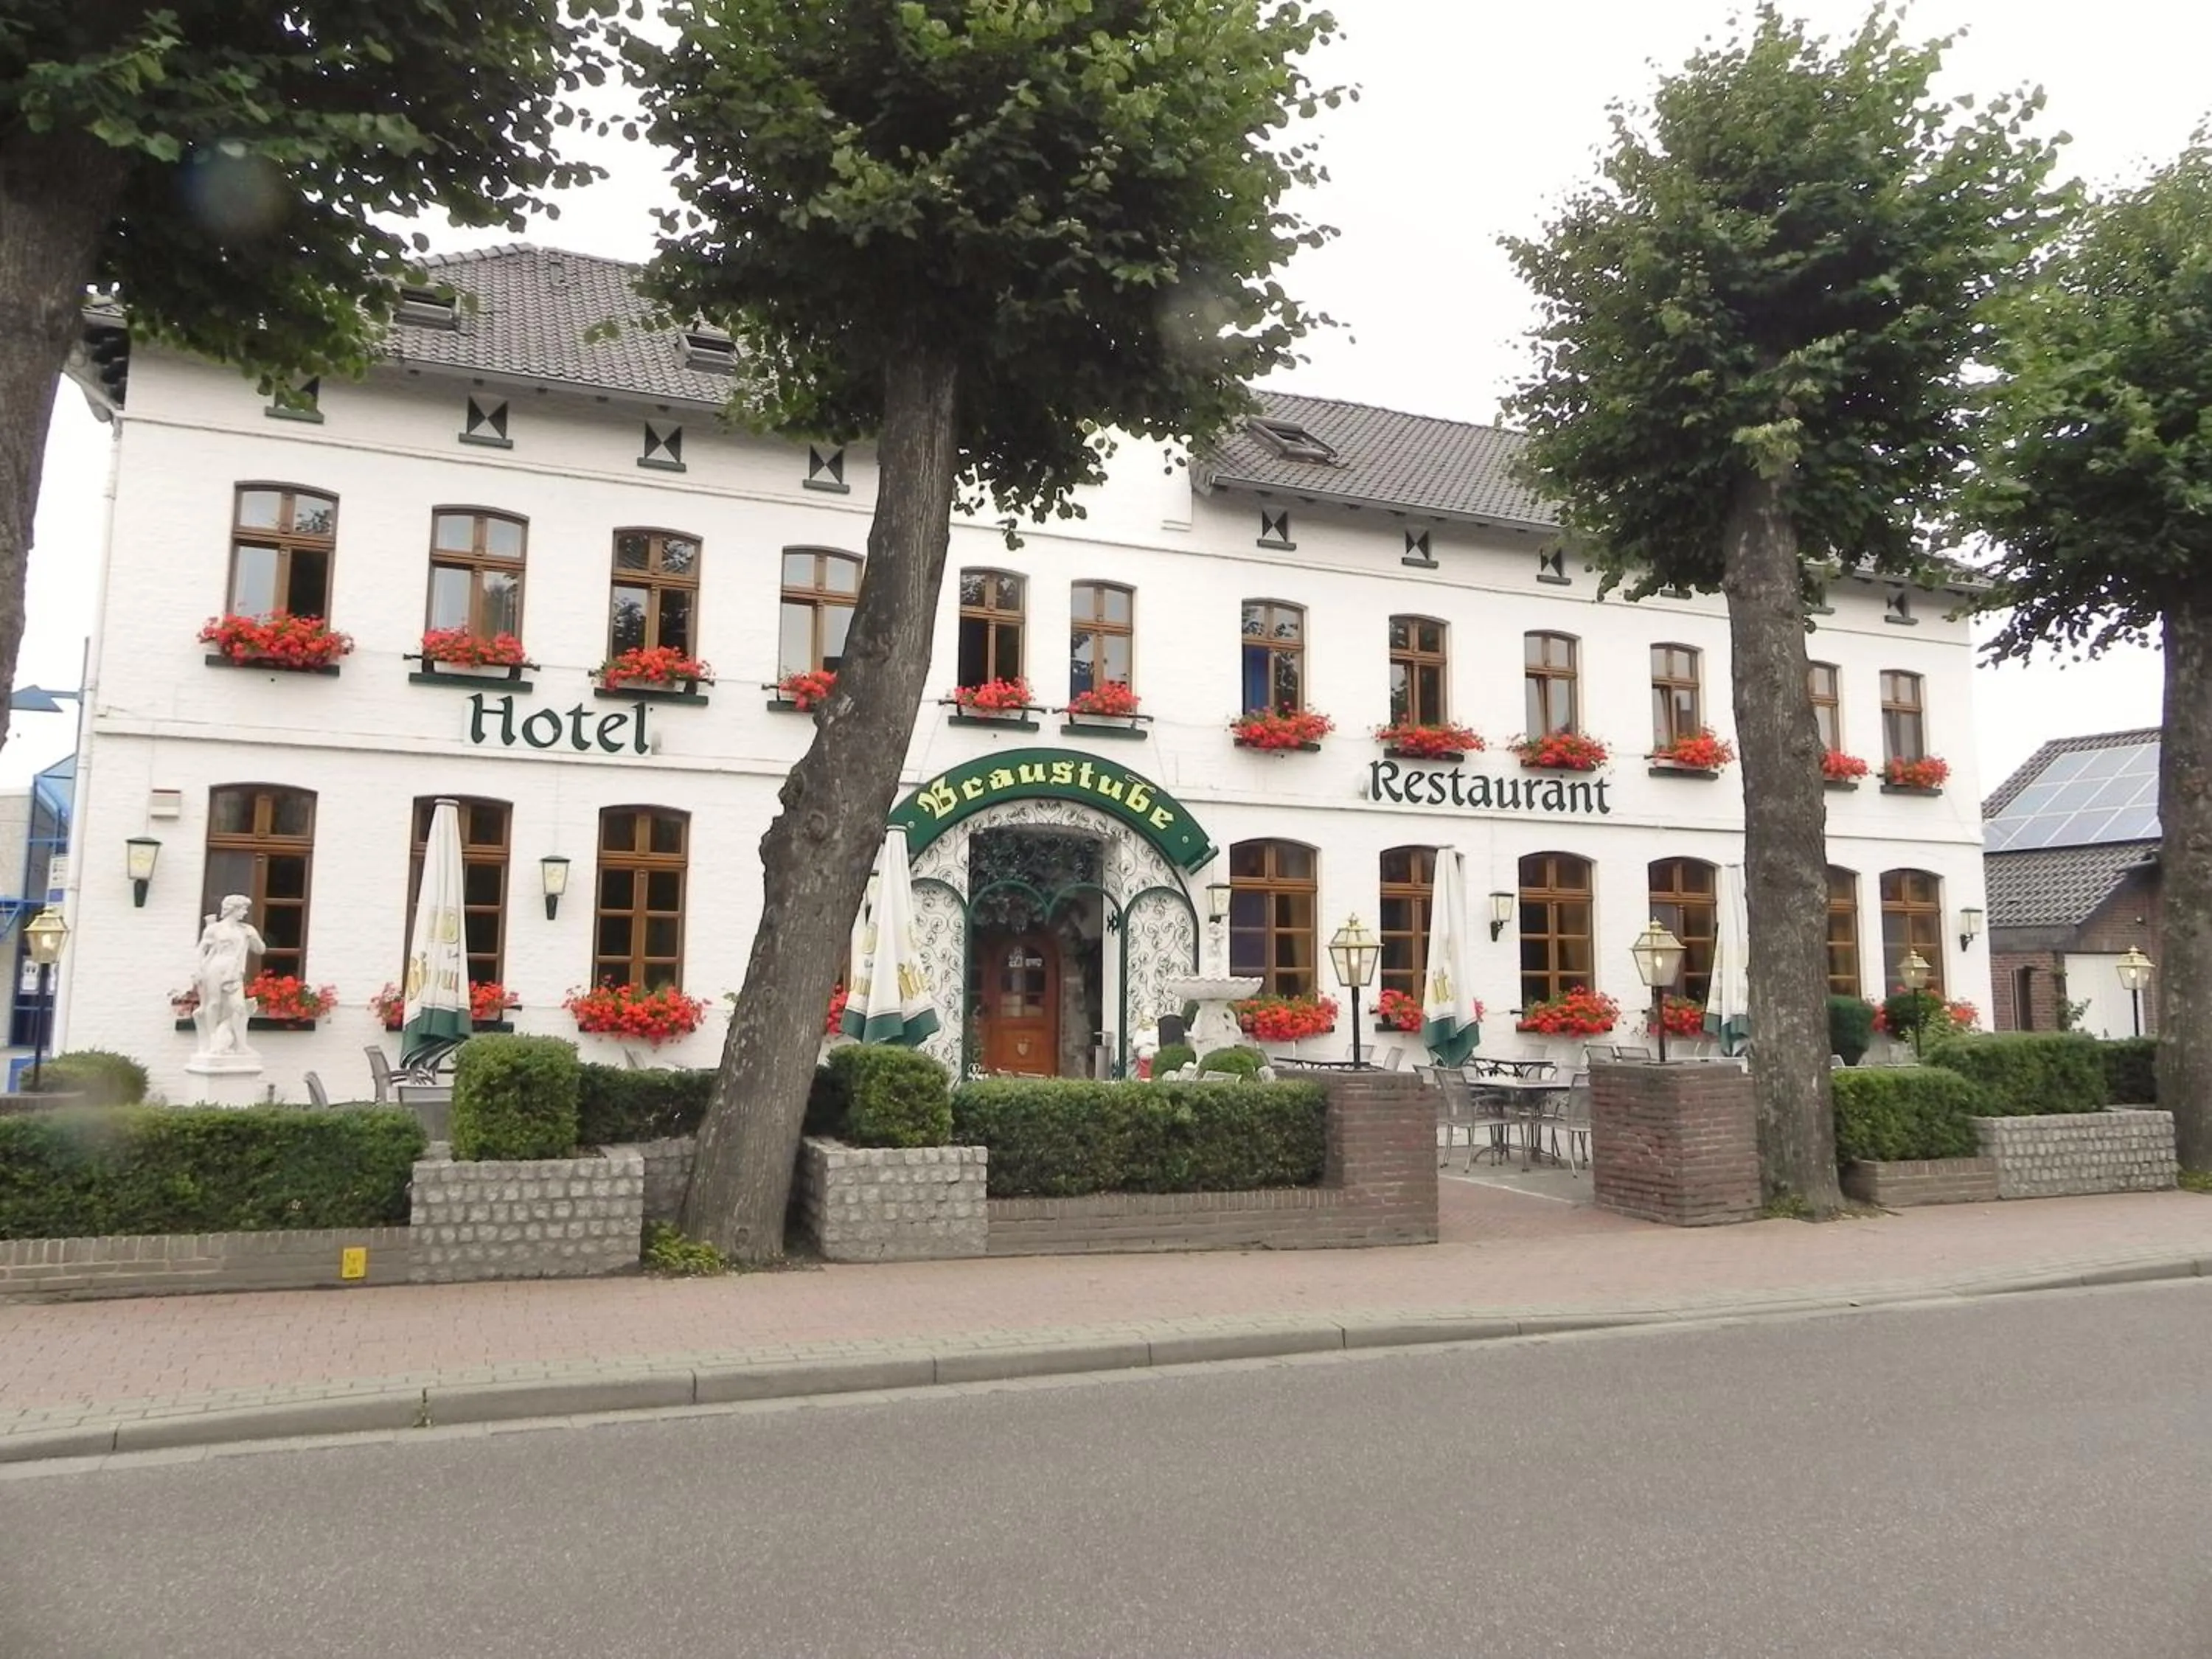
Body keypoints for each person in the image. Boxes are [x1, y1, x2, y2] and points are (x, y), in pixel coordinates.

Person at [192, 894, 265, 1058]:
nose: (245, 912)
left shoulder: (246, 930)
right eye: (243, 909)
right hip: (216, 968)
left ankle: (241, 1045)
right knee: (214, 1003)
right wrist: (198, 970)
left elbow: (261, 950)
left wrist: (253, 937)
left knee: (239, 1007)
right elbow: (201, 950)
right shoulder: (214, 929)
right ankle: (212, 1039)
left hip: (234, 970)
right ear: (233, 909)